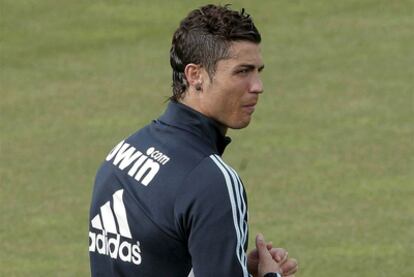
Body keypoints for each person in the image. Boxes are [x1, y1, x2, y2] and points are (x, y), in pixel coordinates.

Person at [89, 4, 298, 277]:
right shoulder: (212, 181)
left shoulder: (124, 151)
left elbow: (151, 258)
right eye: (242, 71)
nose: (258, 86)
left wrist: (228, 263)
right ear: (195, 75)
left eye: (258, 71)